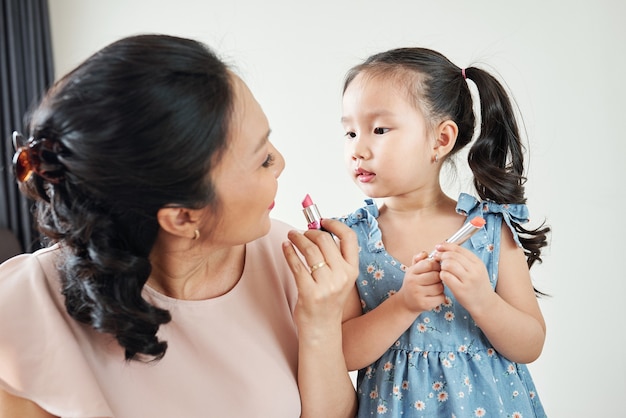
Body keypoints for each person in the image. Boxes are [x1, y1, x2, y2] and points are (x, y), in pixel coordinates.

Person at [0, 34, 358, 418]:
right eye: (262, 160)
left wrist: (320, 324)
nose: (281, 162)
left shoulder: (287, 258)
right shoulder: (21, 311)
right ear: (183, 216)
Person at [338, 47, 550, 417]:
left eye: (379, 129)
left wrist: (484, 300)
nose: (358, 148)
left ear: (440, 139)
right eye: (350, 131)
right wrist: (403, 305)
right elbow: (340, 352)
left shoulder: (487, 228)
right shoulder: (350, 240)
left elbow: (530, 344)